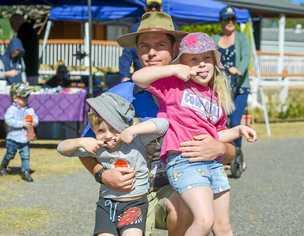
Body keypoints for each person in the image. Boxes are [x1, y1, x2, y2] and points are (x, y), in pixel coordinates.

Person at [82, 12, 237, 236]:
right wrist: (101, 174)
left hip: (174, 185)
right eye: (144, 46)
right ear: (136, 50)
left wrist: (221, 148)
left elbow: (230, 150)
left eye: (161, 45)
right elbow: (85, 145)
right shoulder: (116, 96)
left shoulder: (200, 94)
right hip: (130, 193)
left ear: (175, 49)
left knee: (183, 207)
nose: (152, 52)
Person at [133, 32, 256, 235]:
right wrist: (173, 68)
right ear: (183, 63)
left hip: (213, 165)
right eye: (194, 59)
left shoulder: (216, 97)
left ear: (215, 62)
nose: (201, 65)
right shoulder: (174, 86)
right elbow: (139, 77)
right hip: (184, 162)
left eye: (207, 58)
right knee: (204, 220)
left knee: (222, 226)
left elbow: (216, 135)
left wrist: (238, 130)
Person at [57, 92, 169, 236]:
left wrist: (132, 130)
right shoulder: (96, 147)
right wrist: (80, 141)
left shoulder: (136, 140)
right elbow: (61, 149)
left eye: (114, 128)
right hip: (107, 205)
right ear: (94, 131)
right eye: (101, 131)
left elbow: (163, 124)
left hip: (134, 204)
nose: (108, 135)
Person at [213, 6, 251, 176]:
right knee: (219, 123)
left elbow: (245, 59)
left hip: (240, 88)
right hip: (220, 89)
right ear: (221, 21)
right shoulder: (215, 39)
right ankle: (221, 154)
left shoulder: (242, 38)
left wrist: (238, 70)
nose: (230, 22)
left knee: (235, 123)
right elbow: (211, 58)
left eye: (232, 19)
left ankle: (236, 155)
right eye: (226, 19)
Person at [0, 83, 38, 182]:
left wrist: (34, 122)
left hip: (24, 138)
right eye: (23, 98)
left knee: (25, 155)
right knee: (10, 154)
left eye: (27, 97)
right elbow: (8, 120)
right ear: (15, 98)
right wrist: (22, 124)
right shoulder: (11, 110)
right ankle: (3, 166)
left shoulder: (29, 109)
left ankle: (25, 171)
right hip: (13, 138)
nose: (26, 100)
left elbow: (35, 119)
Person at [119, 0, 162, 82]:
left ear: (161, 9)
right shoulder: (136, 28)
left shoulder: (171, 27)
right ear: (145, 8)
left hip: (165, 78)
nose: (153, 10)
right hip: (142, 78)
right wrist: (125, 76)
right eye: (150, 7)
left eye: (157, 7)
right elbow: (126, 55)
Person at [10, 14, 39, 85]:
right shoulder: (29, 29)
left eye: (12, 23)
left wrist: (10, 56)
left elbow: (19, 51)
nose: (11, 26)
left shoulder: (24, 31)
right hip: (32, 69)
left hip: (26, 71)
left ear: (17, 22)